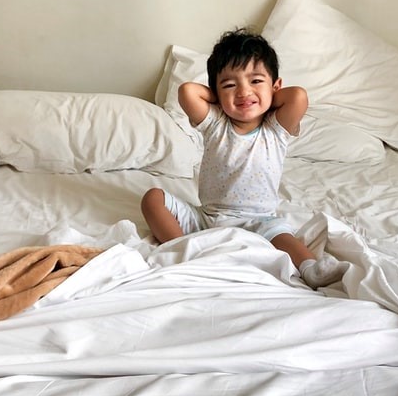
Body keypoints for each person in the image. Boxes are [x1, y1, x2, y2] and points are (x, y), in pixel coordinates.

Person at [141, 28, 346, 289]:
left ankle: (312, 269)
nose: (243, 92)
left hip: (261, 220)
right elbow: (187, 91)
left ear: (275, 86)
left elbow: (298, 96)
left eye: (255, 81)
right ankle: (181, 249)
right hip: (209, 219)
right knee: (153, 199)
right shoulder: (215, 123)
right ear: (215, 91)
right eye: (229, 84)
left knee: (285, 238)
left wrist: (264, 95)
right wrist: (222, 96)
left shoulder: (275, 128)